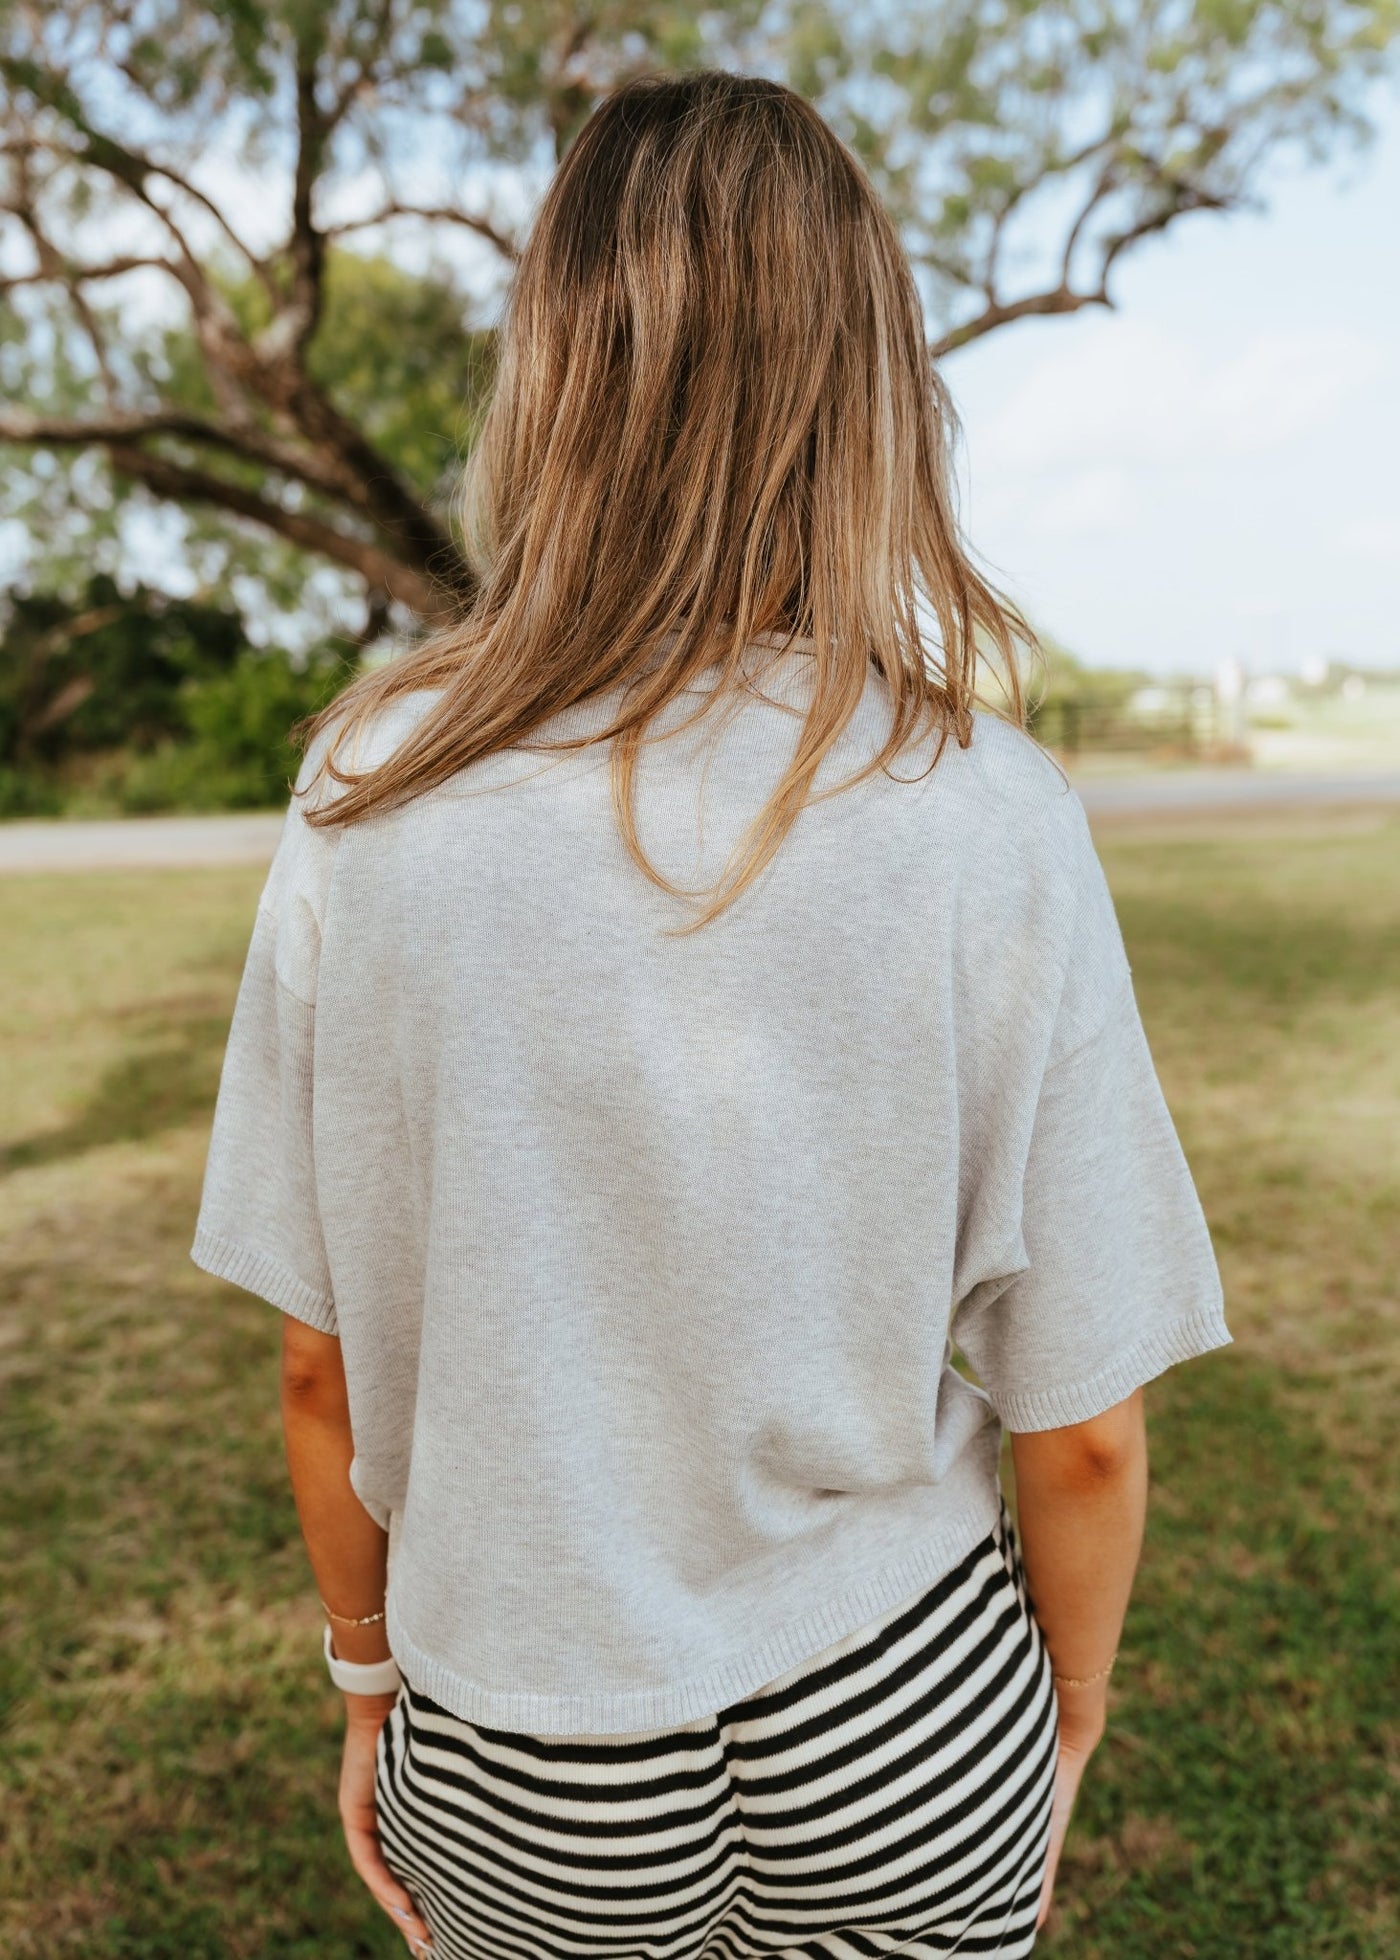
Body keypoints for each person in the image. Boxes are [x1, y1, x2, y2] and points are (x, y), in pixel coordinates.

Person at [192, 70, 1231, 1960]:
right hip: (901, 1702)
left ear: (555, 379)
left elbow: (315, 1369)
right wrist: (1061, 1719)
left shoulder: (372, 793)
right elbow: (1083, 1423)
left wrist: (365, 1682)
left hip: (521, 1729)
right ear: (870, 395)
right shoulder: (986, 805)